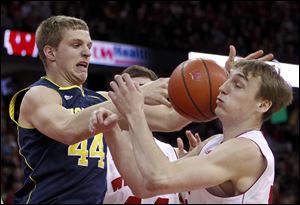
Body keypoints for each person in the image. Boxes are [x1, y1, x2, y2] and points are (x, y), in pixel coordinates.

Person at [7, 15, 188, 204]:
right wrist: (137, 95)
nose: (87, 53)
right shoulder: (38, 95)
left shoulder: (99, 99)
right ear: (50, 52)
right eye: (76, 45)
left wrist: (213, 93)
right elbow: (67, 129)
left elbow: (169, 119)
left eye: (89, 46)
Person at [90, 59, 293, 203]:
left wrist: (135, 112)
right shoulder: (214, 142)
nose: (223, 87)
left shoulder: (247, 151)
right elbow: (143, 186)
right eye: (228, 80)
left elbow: (158, 178)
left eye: (238, 84)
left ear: (263, 105)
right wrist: (113, 132)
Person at [103, 65, 200, 204]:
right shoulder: (98, 152)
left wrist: (191, 181)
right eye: (131, 90)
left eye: (145, 89)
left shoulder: (175, 154)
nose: (138, 97)